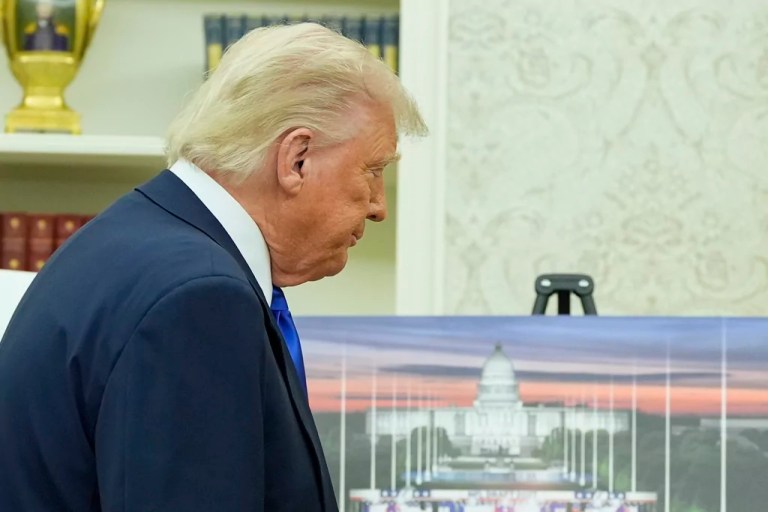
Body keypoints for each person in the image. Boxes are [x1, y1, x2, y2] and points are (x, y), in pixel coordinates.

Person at [0, 22, 426, 511]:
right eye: (373, 170)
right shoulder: (197, 298)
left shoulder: (140, 244)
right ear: (297, 158)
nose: (378, 205)